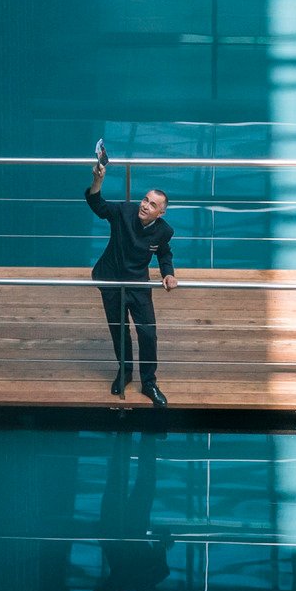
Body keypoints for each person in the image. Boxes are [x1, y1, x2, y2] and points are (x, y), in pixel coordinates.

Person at [85, 151, 176, 405]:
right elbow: (97, 205)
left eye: (152, 205)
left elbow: (164, 254)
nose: (145, 205)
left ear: (161, 213)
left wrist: (168, 274)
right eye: (145, 200)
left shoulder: (163, 231)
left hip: (137, 283)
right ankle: (124, 372)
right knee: (119, 330)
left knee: (148, 333)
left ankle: (149, 382)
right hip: (112, 280)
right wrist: (98, 181)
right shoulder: (124, 212)